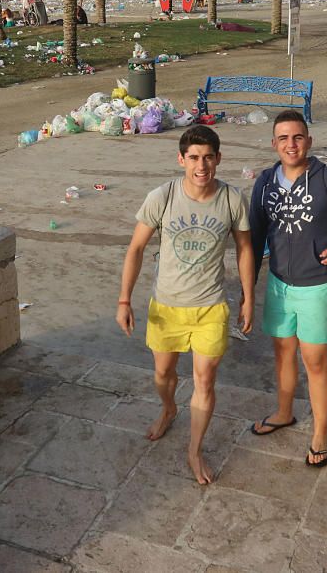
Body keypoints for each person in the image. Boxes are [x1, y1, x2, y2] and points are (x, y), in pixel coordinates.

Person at [116, 125, 255, 485]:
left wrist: (248, 297)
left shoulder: (231, 199)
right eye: (193, 157)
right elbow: (136, 249)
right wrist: (124, 299)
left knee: (204, 380)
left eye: (208, 157)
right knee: (163, 375)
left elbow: (244, 249)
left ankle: (194, 450)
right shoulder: (161, 197)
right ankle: (169, 408)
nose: (201, 165)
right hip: (167, 306)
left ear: (219, 159)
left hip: (211, 307)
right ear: (181, 159)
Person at [248, 110, 327, 468]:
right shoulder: (265, 183)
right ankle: (284, 412)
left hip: (318, 285)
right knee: (282, 353)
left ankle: (321, 431)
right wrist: (248, 287)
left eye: (297, 137)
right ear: (274, 144)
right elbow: (254, 238)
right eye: (283, 138)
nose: (291, 144)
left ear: (309, 142)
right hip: (279, 284)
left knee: (314, 361)